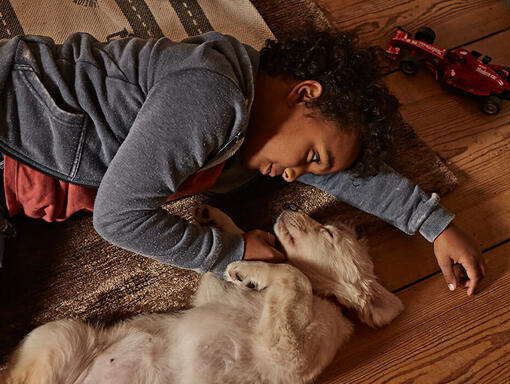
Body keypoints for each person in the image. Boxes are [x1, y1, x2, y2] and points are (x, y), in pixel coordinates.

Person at [0, 28, 485, 295]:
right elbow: (118, 217)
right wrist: (230, 254)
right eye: (311, 157)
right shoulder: (209, 97)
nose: (297, 176)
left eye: (314, 172)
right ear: (303, 93)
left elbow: (348, 172)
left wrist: (433, 224)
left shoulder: (258, 124)